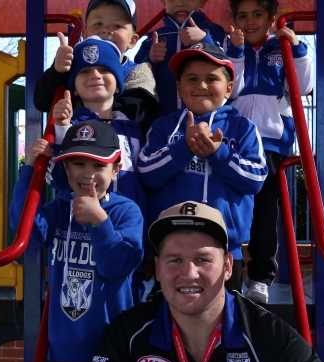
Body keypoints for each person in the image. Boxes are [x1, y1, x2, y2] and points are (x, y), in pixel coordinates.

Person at [63, 201, 324, 362]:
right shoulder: (128, 331)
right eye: (175, 259)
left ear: (229, 267)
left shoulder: (270, 336)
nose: (188, 273)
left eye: (203, 259)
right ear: (156, 268)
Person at [9, 120, 144, 362]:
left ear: (116, 168)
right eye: (77, 164)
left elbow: (117, 266)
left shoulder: (126, 212)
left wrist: (99, 222)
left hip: (108, 348)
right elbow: (23, 225)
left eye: (97, 164)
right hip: (63, 346)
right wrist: (29, 168)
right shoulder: (58, 210)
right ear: (66, 171)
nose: (87, 173)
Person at [137, 43, 266, 294]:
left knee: (227, 322)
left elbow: (256, 178)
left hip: (225, 247)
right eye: (192, 78)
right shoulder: (164, 127)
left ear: (229, 88)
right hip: (171, 246)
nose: (202, 85)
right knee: (168, 319)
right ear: (178, 86)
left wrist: (218, 153)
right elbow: (146, 172)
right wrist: (184, 147)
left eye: (211, 79)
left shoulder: (243, 127)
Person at [50, 36, 150, 301]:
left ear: (118, 83)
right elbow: (60, 179)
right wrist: (61, 130)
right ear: (74, 86)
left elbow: (145, 184)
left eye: (105, 70)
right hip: (80, 244)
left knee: (129, 305)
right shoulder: (71, 126)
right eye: (84, 71)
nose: (95, 75)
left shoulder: (134, 129)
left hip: (126, 233)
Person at [226, 0, 313, 304]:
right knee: (232, 209)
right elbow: (230, 89)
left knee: (265, 212)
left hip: (272, 142)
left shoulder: (282, 47)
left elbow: (302, 87)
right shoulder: (231, 47)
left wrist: (298, 50)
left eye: (258, 15)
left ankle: (260, 277)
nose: (250, 22)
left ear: (272, 18)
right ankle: (231, 272)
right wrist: (235, 54)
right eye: (243, 16)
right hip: (236, 141)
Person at [33, 0, 158, 133]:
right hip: (73, 144)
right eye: (98, 24)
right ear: (85, 34)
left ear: (132, 40)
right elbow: (41, 102)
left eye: (117, 25)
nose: (106, 30)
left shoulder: (139, 71)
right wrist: (57, 71)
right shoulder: (73, 67)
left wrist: (90, 99)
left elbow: (137, 112)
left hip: (122, 146)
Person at [134, 0, 225, 118]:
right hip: (161, 120)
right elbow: (135, 77)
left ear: (202, 2)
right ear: (164, 2)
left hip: (205, 120)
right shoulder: (152, 38)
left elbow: (227, 67)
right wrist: (150, 59)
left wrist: (205, 40)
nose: (180, 3)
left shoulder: (214, 31)